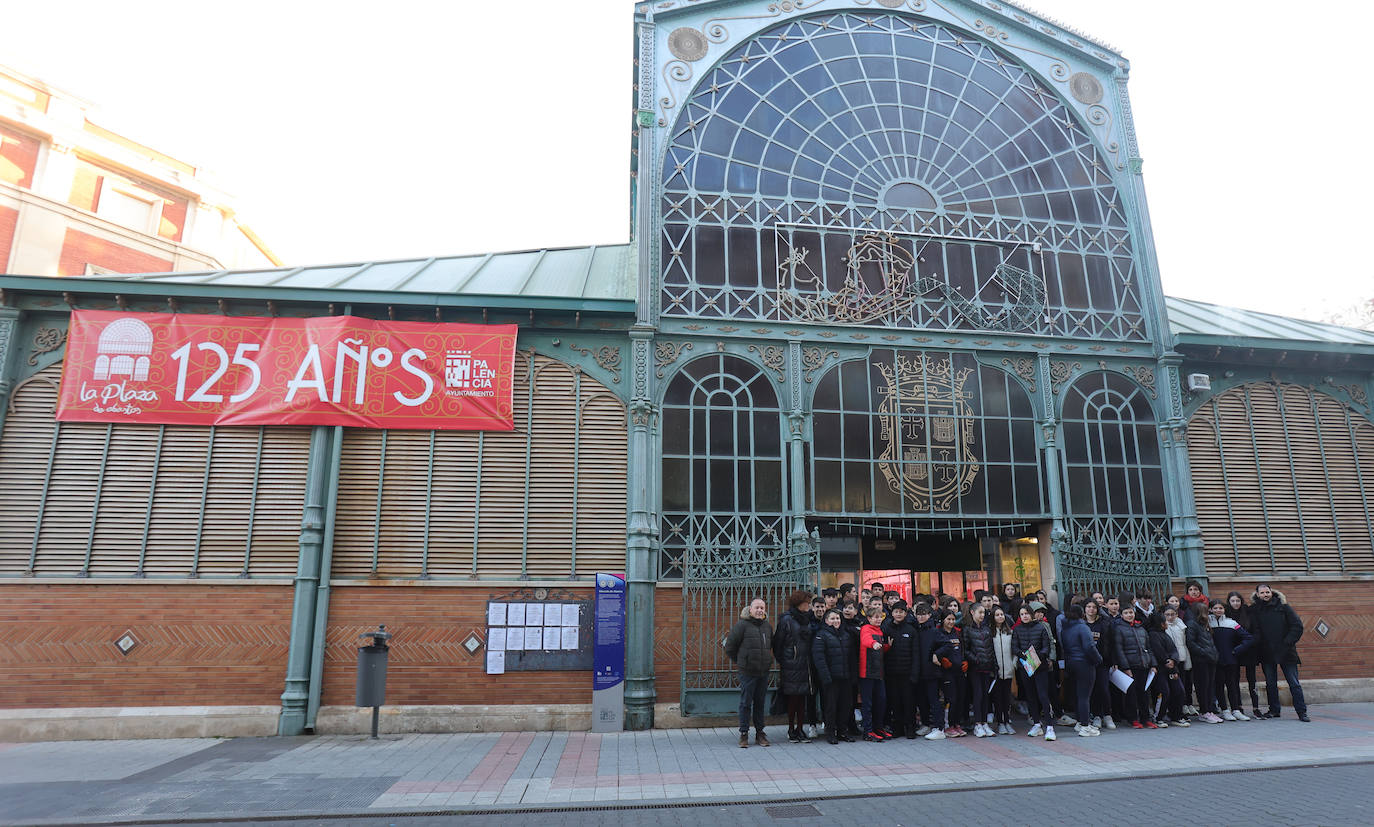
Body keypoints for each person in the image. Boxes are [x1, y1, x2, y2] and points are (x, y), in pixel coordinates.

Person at [1251, 584, 1309, 722]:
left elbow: (1297, 626)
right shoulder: (1254, 610)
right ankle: (1274, 710)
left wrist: (1287, 642)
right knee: (1270, 683)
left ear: (1272, 592)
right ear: (1257, 595)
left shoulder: (1284, 607)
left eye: (1267, 592)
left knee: (1294, 683)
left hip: (1287, 651)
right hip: (1267, 652)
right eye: (1262, 593)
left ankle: (1302, 712)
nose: (1265, 595)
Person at [724, 597, 774, 747]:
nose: (760, 610)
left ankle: (760, 733)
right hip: (747, 672)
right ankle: (744, 734)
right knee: (746, 703)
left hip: (763, 672)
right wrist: (742, 662)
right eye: (757, 607)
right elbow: (730, 647)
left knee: (759, 703)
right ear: (750, 610)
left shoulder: (767, 626)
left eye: (762, 608)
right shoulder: (742, 625)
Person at [773, 590, 817, 743]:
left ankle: (800, 729)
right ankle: (791, 729)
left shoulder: (808, 619)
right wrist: (785, 659)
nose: (810, 605)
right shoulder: (786, 620)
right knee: (793, 698)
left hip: (806, 663)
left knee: (802, 698)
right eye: (807, 602)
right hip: (791, 664)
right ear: (799, 603)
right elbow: (778, 642)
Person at [1012, 605, 1056, 740]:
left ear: (1031, 614)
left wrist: (1038, 656)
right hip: (1025, 666)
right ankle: (1037, 723)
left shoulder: (1040, 627)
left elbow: (1046, 646)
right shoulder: (1017, 629)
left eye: (1026, 613)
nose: (1024, 616)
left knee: (1043, 695)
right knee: (1030, 696)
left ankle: (1050, 727)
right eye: (1022, 614)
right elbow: (1014, 646)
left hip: (1040, 666)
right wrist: (1024, 655)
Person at [811, 609, 854, 744]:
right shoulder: (821, 636)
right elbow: (819, 659)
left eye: (838, 618)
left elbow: (851, 658)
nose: (836, 621)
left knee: (845, 706)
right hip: (830, 679)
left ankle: (842, 731)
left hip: (845, 677)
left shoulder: (846, 635)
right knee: (831, 707)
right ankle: (830, 733)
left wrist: (852, 676)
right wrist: (826, 677)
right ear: (826, 620)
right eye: (833, 618)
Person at [1059, 603, 1101, 736]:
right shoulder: (1082, 627)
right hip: (1084, 664)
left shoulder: (1065, 628)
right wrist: (1098, 659)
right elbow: (1089, 647)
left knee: (1077, 695)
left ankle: (1079, 722)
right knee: (1084, 696)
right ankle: (1085, 726)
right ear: (1081, 613)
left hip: (1071, 663)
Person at [1111, 604, 1157, 729]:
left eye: (1131, 612)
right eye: (1126, 613)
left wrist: (1153, 664)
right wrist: (1126, 667)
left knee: (1144, 694)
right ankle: (1133, 719)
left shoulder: (1141, 628)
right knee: (1131, 694)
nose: (1129, 615)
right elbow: (1119, 649)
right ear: (1122, 615)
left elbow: (1148, 648)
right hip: (1130, 666)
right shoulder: (1119, 629)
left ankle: (1145, 718)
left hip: (1144, 665)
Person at [1208, 599, 1254, 722]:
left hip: (1231, 660)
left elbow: (1248, 638)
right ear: (1211, 609)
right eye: (1215, 608)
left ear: (1224, 610)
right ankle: (1224, 710)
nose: (1218, 610)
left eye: (1221, 608)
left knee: (1232, 685)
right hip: (1215, 661)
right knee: (1219, 686)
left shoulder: (1231, 623)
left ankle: (1236, 710)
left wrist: (1236, 650)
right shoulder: (1207, 623)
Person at [881, 600, 918, 738]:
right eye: (896, 612)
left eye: (901, 612)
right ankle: (897, 728)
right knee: (894, 702)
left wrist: (915, 673)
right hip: (891, 673)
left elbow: (916, 653)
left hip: (907, 674)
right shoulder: (886, 629)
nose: (898, 614)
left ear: (905, 613)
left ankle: (910, 728)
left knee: (909, 703)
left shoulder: (911, 630)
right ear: (892, 613)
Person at [1225, 590, 1263, 719]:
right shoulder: (1226, 615)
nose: (1235, 603)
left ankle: (1256, 707)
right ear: (1229, 602)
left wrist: (1248, 644)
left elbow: (1256, 632)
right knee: (1234, 680)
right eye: (1233, 601)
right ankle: (1238, 706)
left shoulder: (1249, 613)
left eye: (1238, 601)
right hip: (1234, 651)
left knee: (1252, 680)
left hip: (1249, 650)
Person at [931, 609, 967, 737]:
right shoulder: (938, 633)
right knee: (951, 699)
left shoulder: (957, 633)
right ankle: (948, 725)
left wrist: (964, 661)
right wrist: (942, 660)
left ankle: (956, 723)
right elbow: (935, 651)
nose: (951, 622)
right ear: (943, 620)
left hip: (959, 671)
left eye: (953, 619)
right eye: (948, 619)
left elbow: (962, 649)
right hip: (946, 672)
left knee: (960, 698)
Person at [962, 602, 997, 737]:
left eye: (983, 613)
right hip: (975, 668)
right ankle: (977, 724)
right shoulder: (967, 629)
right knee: (978, 695)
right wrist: (976, 659)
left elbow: (991, 648)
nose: (982, 615)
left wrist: (993, 664)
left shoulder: (987, 629)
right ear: (972, 613)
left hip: (987, 667)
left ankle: (985, 723)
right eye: (980, 612)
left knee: (986, 695)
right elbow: (966, 650)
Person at [857, 605, 891, 741]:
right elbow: (866, 641)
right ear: (869, 618)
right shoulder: (866, 629)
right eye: (876, 617)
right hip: (867, 672)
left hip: (878, 672)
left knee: (881, 701)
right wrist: (873, 644)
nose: (878, 619)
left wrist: (887, 646)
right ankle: (868, 731)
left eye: (880, 617)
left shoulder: (880, 631)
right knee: (868, 703)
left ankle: (878, 728)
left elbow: (880, 649)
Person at [908, 602, 942, 738]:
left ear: (929, 615)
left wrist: (936, 654)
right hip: (919, 671)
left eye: (924, 614)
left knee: (934, 700)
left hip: (931, 671)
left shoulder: (934, 630)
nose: (921, 617)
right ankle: (926, 724)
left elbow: (946, 645)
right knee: (922, 701)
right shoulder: (917, 629)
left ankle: (939, 728)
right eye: (918, 614)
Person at [1185, 601, 1222, 724]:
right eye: (1204, 612)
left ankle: (1209, 710)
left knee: (1210, 686)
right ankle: (1204, 711)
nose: (1207, 614)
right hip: (1200, 661)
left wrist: (1214, 654)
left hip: (1210, 659)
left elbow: (1210, 642)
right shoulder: (1192, 624)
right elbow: (1191, 643)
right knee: (1203, 686)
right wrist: (1205, 653)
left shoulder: (1205, 625)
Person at [1083, 598, 1115, 730]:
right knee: (1093, 689)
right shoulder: (1081, 624)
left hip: (1102, 661)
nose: (1091, 609)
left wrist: (1113, 661)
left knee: (1104, 688)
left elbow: (1111, 643)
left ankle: (1107, 715)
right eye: (1088, 607)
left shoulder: (1104, 623)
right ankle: (1096, 715)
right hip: (1087, 663)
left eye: (1093, 607)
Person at [1161, 605, 1192, 725]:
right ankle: (1172, 713)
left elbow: (1184, 644)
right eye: (1167, 615)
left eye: (1172, 614)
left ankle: (1180, 711)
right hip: (1170, 661)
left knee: (1182, 687)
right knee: (1174, 689)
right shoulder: (1163, 626)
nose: (1170, 617)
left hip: (1182, 658)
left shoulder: (1181, 625)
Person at [989, 605, 1017, 734]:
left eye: (1001, 614)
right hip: (996, 672)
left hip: (1009, 670)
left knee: (1007, 698)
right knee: (998, 698)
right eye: (997, 615)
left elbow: (1014, 651)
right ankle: (1000, 722)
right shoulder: (990, 633)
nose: (1000, 617)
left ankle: (1007, 721)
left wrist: (1013, 664)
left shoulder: (1010, 632)